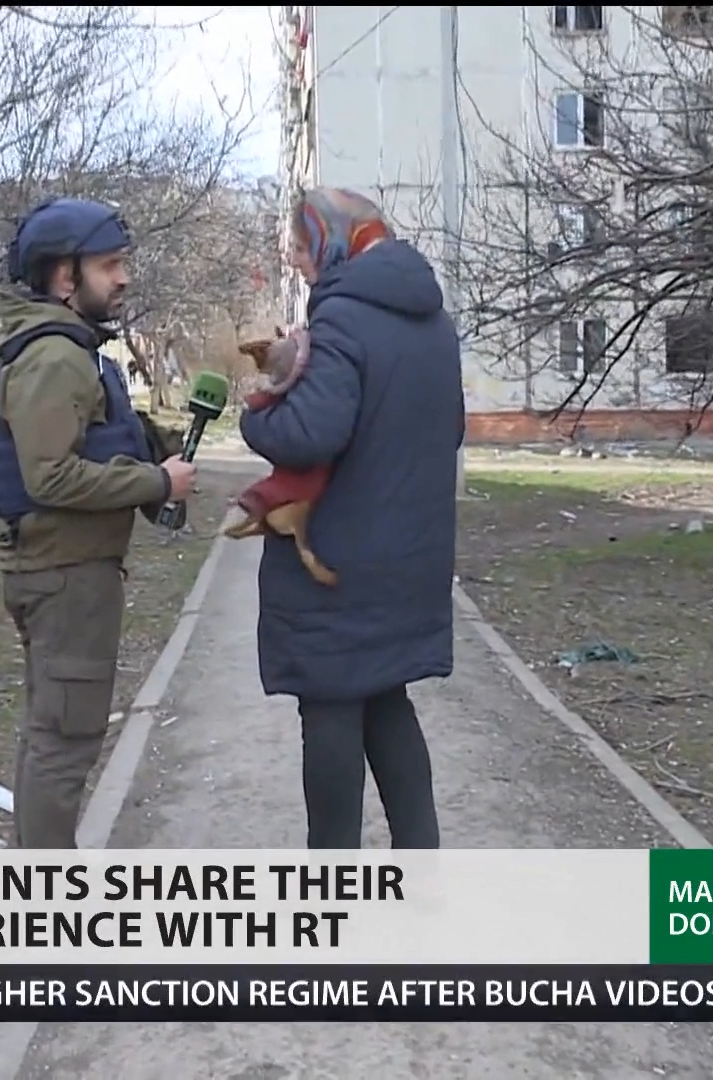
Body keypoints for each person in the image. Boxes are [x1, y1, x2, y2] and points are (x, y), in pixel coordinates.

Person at [238, 187, 465, 850]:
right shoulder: (435, 323)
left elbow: (309, 434)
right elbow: (447, 430)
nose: (302, 264)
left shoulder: (342, 322)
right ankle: (422, 871)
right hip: (408, 562)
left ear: (337, 241)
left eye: (305, 249)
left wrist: (259, 405)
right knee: (386, 701)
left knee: (332, 708)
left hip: (339, 564)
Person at [0, 197, 197, 849]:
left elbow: (79, 449)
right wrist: (157, 482)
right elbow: (49, 475)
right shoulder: (54, 356)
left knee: (51, 732)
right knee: (65, 743)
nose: (124, 278)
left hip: (64, 572)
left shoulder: (64, 350)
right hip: (65, 578)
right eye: (109, 265)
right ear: (64, 277)